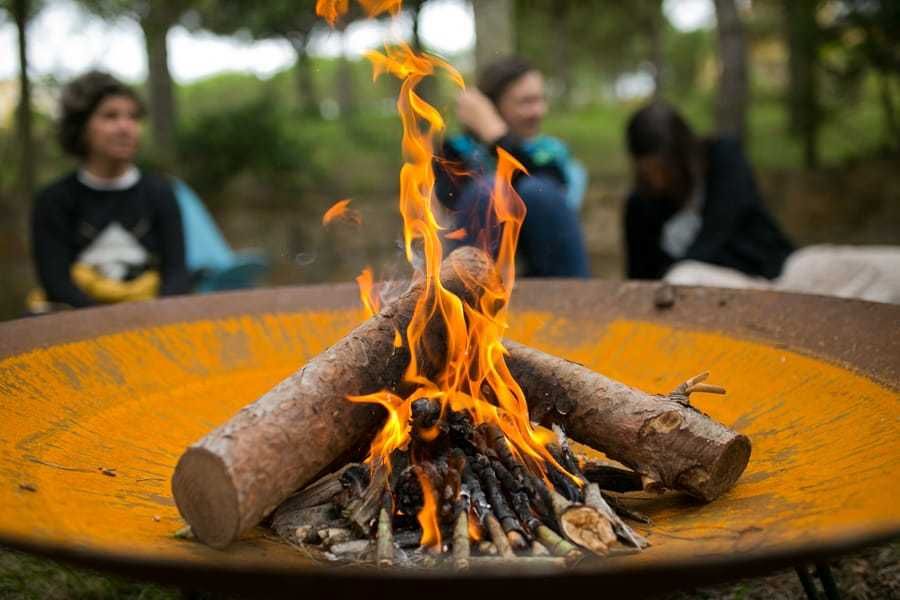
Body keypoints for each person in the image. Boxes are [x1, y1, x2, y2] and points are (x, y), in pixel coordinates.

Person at [30, 70, 190, 310]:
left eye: (133, 117)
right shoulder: (54, 200)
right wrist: (106, 323)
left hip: (152, 319)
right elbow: (56, 282)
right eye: (110, 116)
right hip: (77, 324)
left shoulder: (161, 193)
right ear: (81, 127)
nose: (125, 127)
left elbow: (176, 273)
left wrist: (156, 316)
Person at [434, 57, 590, 278]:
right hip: (481, 273)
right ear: (492, 107)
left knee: (535, 191)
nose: (538, 111)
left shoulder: (550, 153)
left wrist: (496, 136)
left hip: (551, 274)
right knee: (489, 190)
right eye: (526, 102)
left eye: (540, 100)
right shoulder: (457, 152)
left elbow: (553, 193)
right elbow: (449, 209)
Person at [623, 101, 794, 281]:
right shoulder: (640, 205)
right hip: (694, 291)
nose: (658, 180)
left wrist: (681, 269)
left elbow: (721, 227)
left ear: (681, 155)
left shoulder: (723, 158)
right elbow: (640, 275)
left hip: (764, 270)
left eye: (665, 168)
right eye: (648, 172)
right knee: (681, 278)